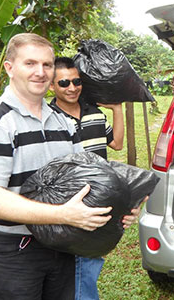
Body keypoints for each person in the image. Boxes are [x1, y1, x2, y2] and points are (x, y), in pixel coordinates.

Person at [0, 33, 130, 300]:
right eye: (30, 63)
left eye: (47, 65)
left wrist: (119, 207)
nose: (40, 72)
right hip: (12, 250)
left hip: (60, 243)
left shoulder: (62, 121)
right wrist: (63, 216)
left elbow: (84, 178)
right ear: (10, 68)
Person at [48, 56, 129, 300]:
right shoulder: (47, 117)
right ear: (52, 86)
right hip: (65, 199)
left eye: (76, 81)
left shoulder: (94, 113)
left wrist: (116, 109)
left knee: (89, 258)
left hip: (98, 195)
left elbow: (116, 143)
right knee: (70, 260)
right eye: (64, 83)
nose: (72, 88)